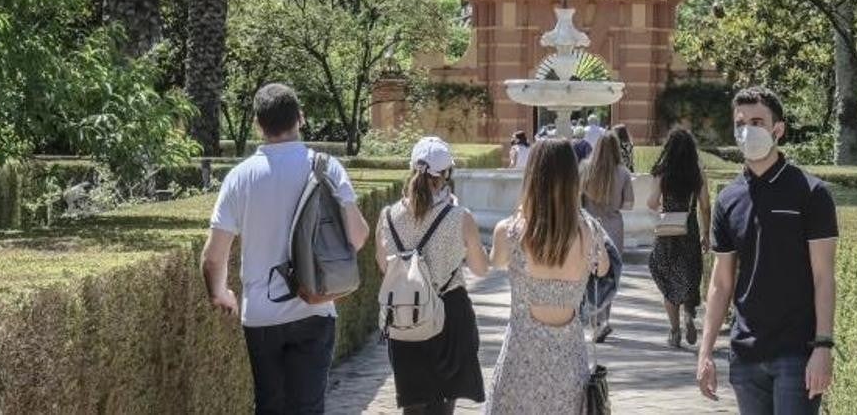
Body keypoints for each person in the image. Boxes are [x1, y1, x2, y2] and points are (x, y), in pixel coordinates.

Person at [201, 83, 370, 414]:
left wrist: (221, 294)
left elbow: (213, 256)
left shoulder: (239, 177)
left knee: (269, 405)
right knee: (308, 407)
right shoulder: (326, 168)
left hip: (261, 314)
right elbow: (358, 236)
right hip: (315, 306)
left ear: (257, 123)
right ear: (300, 118)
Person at [697, 86, 838, 415]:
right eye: (740, 123)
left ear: (778, 129)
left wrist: (823, 346)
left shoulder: (811, 193)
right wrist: (705, 353)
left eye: (757, 121)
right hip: (745, 354)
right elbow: (720, 284)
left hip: (796, 353)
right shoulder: (728, 199)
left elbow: (824, 277)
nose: (747, 130)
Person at [485, 139, 611, 415]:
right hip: (569, 365)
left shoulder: (510, 231)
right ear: (572, 177)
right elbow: (602, 269)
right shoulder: (589, 231)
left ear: (532, 176)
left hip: (520, 363)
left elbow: (494, 261)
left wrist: (521, 213)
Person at [378, 136, 489, 415]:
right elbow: (480, 268)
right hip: (449, 312)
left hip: (405, 314)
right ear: (446, 174)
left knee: (413, 405)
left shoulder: (388, 216)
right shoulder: (459, 216)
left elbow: (384, 267)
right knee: (443, 405)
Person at [647, 128, 711, 348]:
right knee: (690, 275)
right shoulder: (697, 173)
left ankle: (674, 331)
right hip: (689, 230)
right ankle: (688, 314)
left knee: (667, 280)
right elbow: (705, 206)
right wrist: (706, 233)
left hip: (667, 233)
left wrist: (663, 205)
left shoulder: (662, 172)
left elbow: (652, 202)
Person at [579, 131, 634, 342]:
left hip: (590, 226)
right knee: (610, 274)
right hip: (613, 227)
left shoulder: (585, 168)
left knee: (589, 274)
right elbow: (629, 203)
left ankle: (593, 322)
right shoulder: (622, 172)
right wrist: (613, 204)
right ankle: (604, 320)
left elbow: (577, 199)